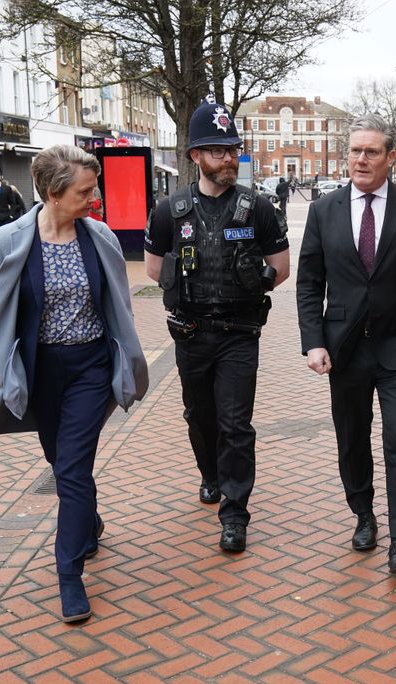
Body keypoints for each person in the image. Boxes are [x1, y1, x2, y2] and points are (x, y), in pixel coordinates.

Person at [0, 144, 149, 623]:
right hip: (41, 371)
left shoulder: (99, 236)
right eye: (85, 191)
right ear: (52, 193)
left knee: (70, 469)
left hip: (91, 368)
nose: (94, 199)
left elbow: (119, 304)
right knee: (61, 460)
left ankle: (69, 575)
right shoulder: (11, 240)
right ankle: (87, 521)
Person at [296, 113, 396, 575]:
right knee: (352, 437)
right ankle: (363, 514)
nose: (361, 159)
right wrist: (313, 342)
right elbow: (309, 283)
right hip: (344, 348)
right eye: (355, 151)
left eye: (371, 152)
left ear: (390, 158)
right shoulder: (324, 210)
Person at [144, 97, 290, 553]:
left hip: (239, 333)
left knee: (234, 422)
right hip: (190, 333)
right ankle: (210, 474)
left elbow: (281, 268)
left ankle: (235, 512)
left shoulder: (258, 208)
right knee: (199, 416)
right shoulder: (170, 210)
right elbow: (153, 270)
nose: (229, 158)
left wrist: (255, 276)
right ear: (195, 157)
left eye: (233, 149)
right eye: (218, 151)